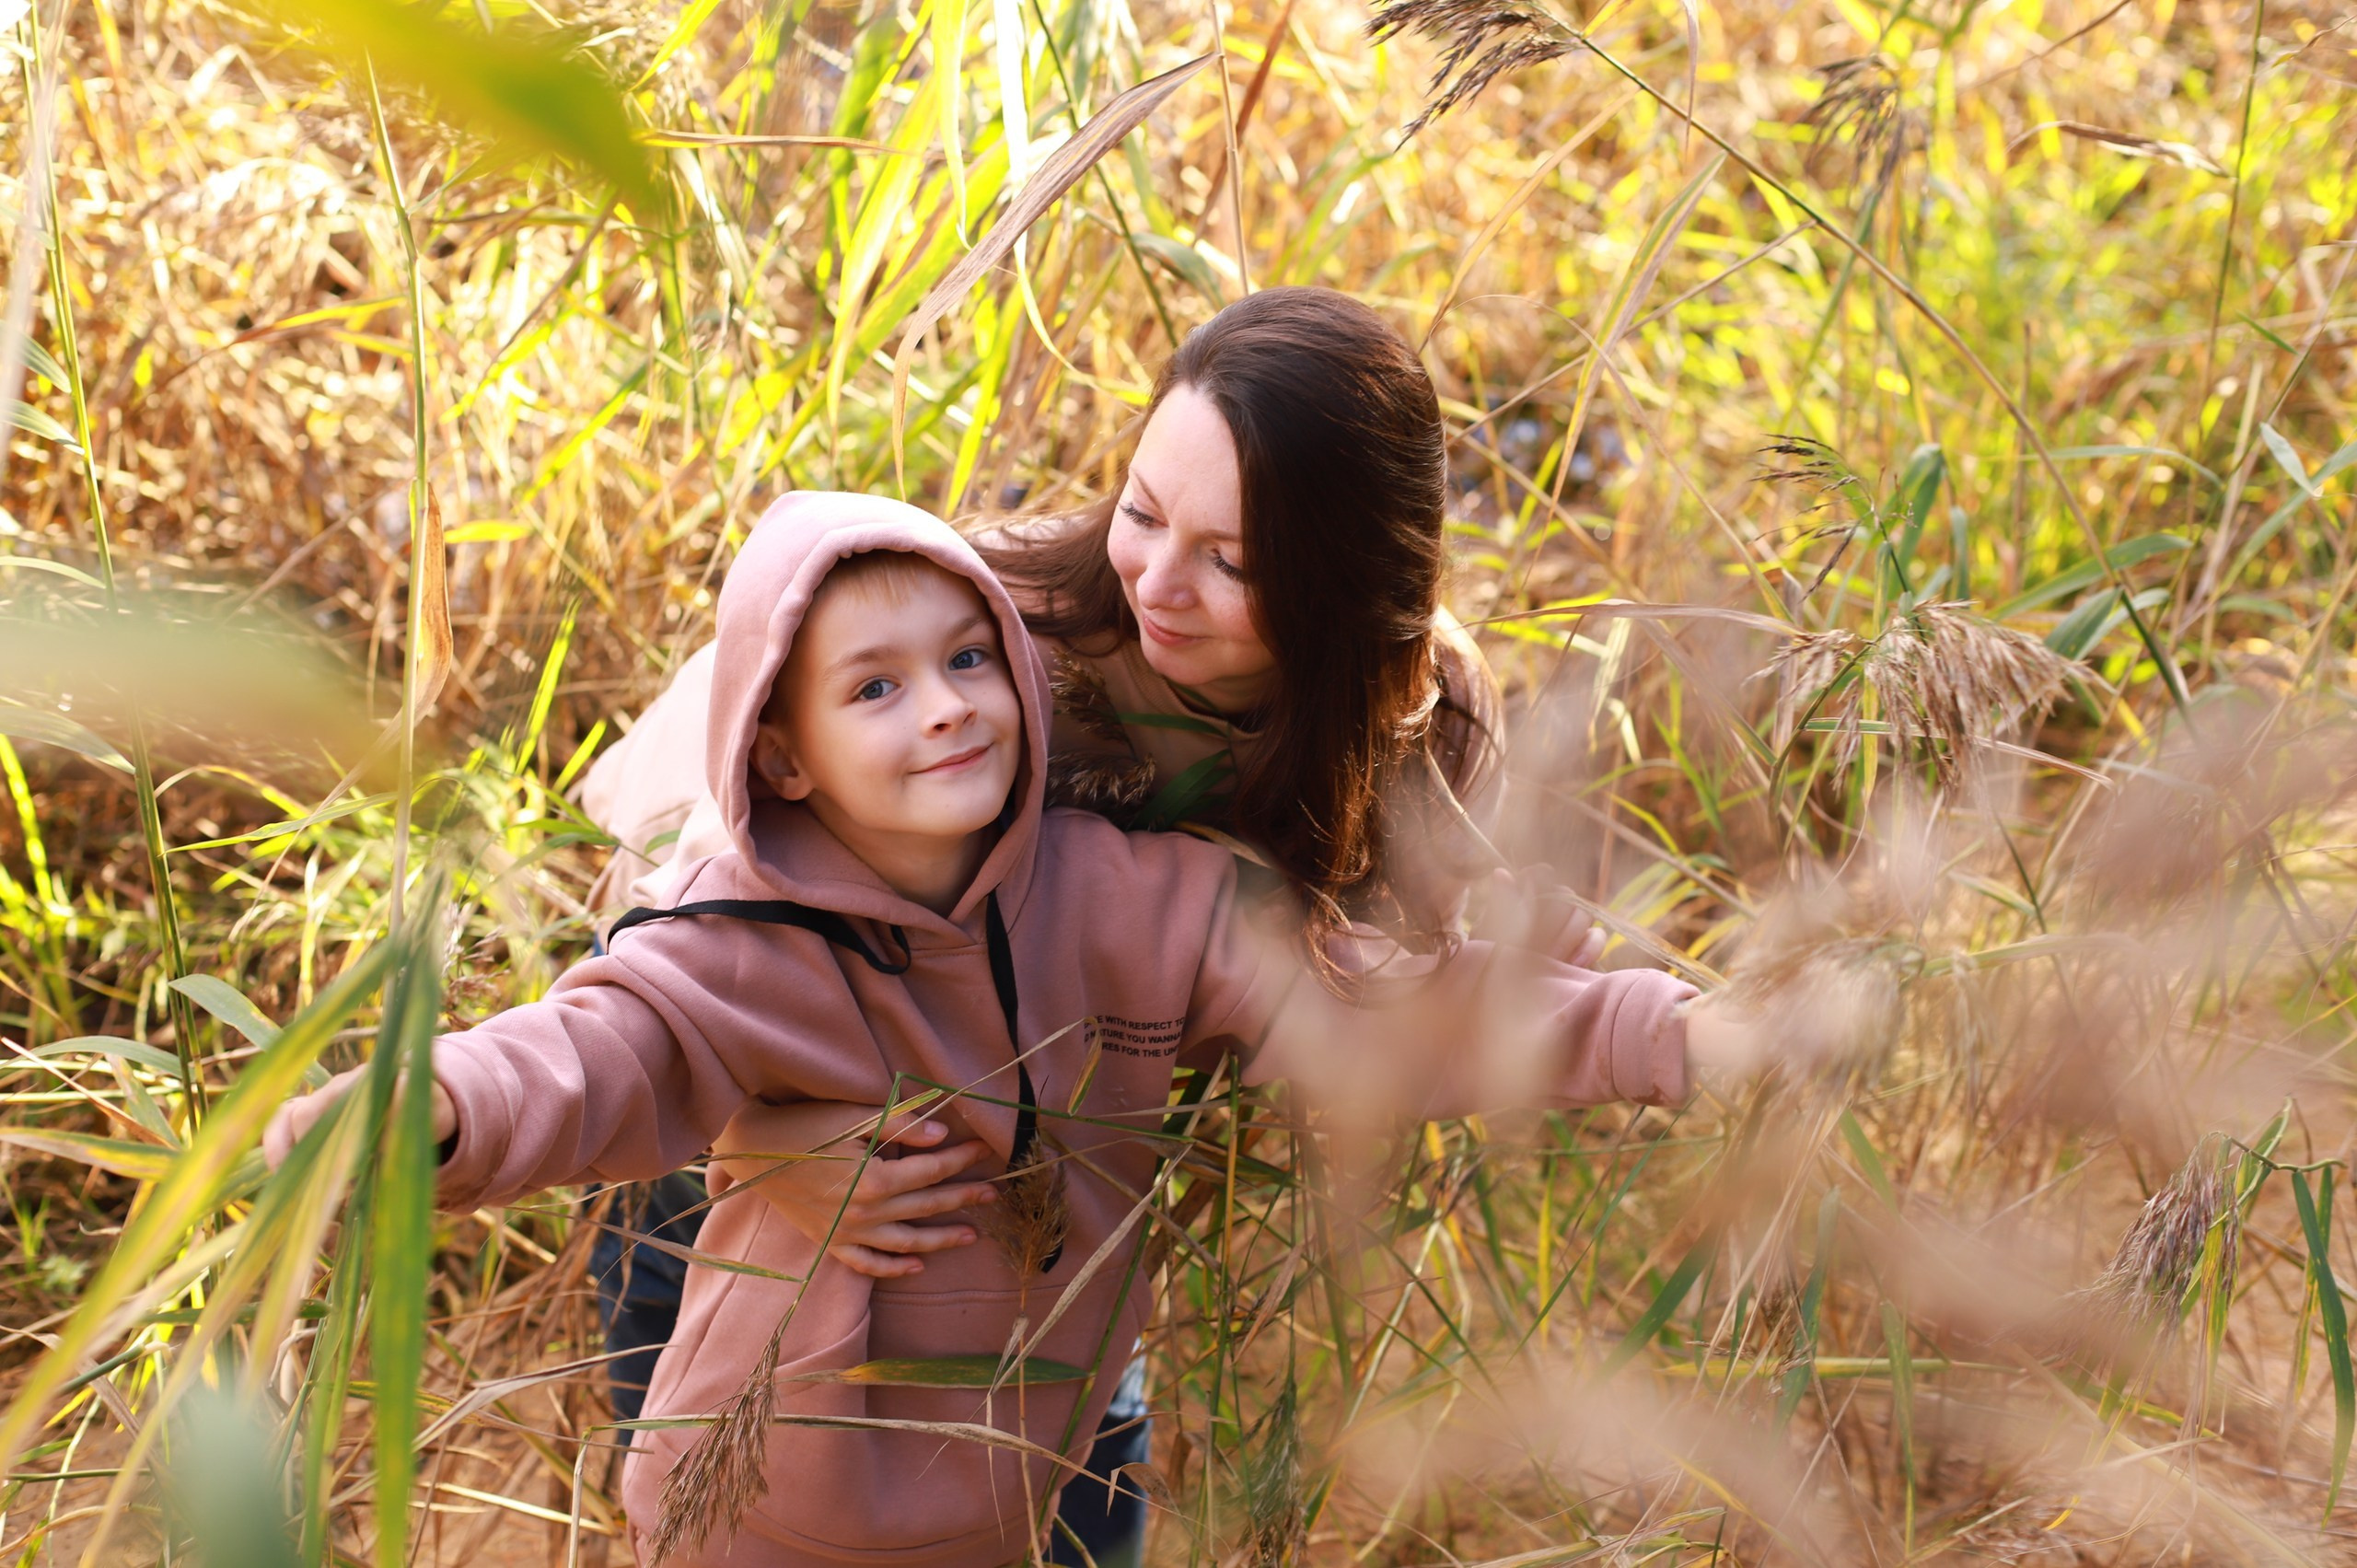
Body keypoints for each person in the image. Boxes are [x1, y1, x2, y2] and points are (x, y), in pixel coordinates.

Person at [265, 491, 1707, 1568]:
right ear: (783, 746)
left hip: (1025, 1454)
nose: (949, 708)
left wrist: (1668, 1031)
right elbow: (593, 1050)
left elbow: (1391, 1002)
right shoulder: (740, 936)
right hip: (766, 1510)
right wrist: (425, 1109)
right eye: (877, 690)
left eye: (970, 663)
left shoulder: (1147, 888)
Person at [576, 287, 1573, 1563]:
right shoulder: (993, 657)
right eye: (1143, 513)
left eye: (1234, 560)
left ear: (1349, 582)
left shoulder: (1421, 726)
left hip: (1044, 1196)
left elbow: (1366, 990)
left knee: (1072, 1508)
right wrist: (764, 1150)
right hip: (773, 1143)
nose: (1157, 580)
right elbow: (686, 916)